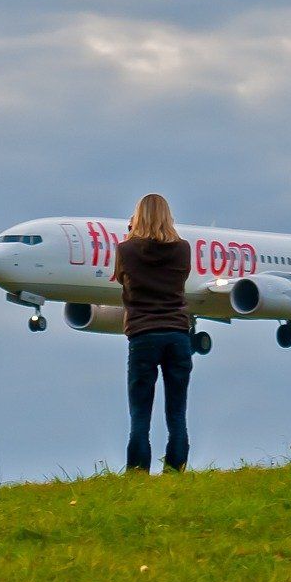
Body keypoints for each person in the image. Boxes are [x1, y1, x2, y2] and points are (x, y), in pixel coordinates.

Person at [113, 193, 194, 473]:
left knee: (140, 414)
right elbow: (181, 279)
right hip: (177, 335)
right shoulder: (183, 248)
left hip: (143, 334)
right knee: (176, 413)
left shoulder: (126, 250)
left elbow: (122, 279)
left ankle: (137, 472)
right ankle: (175, 470)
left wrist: (130, 238)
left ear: (137, 217)